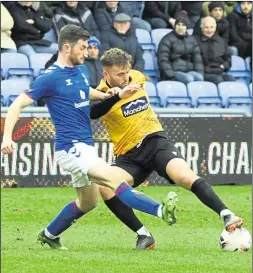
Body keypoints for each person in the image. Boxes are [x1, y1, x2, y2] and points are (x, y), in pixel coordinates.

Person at [1, 25, 178, 250]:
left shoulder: (81, 71)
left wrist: (108, 94)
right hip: (71, 148)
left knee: (89, 202)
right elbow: (17, 104)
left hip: (85, 146)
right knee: (113, 180)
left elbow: (85, 90)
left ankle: (49, 235)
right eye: (83, 47)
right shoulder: (49, 78)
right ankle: (161, 211)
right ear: (67, 47)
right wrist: (7, 138)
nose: (87, 52)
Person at [157, 16, 204, 83]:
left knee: (200, 78)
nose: (180, 27)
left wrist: (200, 73)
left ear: (186, 28)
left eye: (183, 25)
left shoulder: (192, 40)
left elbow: (197, 60)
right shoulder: (167, 39)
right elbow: (163, 60)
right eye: (178, 25)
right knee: (188, 79)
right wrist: (171, 75)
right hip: (174, 72)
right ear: (175, 26)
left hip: (188, 71)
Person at [194, 16, 235, 85]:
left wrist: (223, 67)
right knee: (218, 80)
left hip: (220, 71)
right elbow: (196, 61)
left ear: (215, 27)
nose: (209, 30)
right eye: (206, 27)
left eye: (211, 27)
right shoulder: (195, 41)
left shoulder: (222, 41)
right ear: (201, 27)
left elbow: (228, 60)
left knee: (231, 79)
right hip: (205, 73)